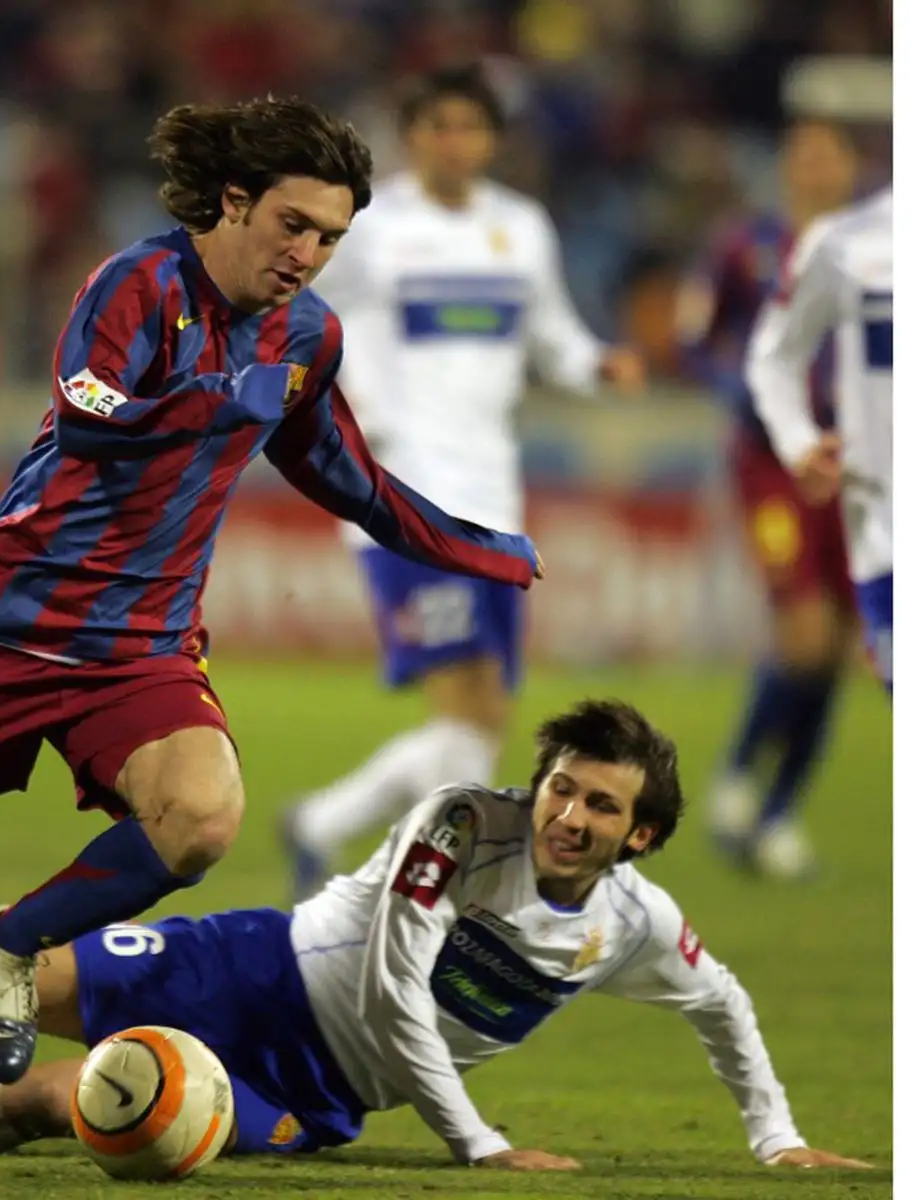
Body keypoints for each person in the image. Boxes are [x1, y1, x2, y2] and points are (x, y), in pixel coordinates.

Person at [0, 95, 545, 1161]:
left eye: (330, 238)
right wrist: (213, 396)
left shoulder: (305, 336)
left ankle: (11, 943)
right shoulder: (139, 283)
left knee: (202, 818)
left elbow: (352, 478)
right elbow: (89, 405)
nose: (308, 254)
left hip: (142, 648)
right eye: (293, 225)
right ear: (233, 202)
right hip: (6, 626)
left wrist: (480, 549)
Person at [0, 701, 870, 1174]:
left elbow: (727, 1005)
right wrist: (476, 1145)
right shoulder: (457, 826)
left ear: (642, 839)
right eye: (563, 788)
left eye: (604, 807)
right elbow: (402, 986)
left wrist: (774, 1137)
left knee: (67, 1104)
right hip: (253, 964)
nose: (571, 816)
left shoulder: (634, 926)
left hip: (310, 1095)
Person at [280, 64, 645, 903]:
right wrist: (345, 402)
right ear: (413, 136)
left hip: (492, 493)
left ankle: (324, 825)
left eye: (472, 127)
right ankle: (415, 886)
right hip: (398, 492)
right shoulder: (367, 230)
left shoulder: (519, 228)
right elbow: (295, 310)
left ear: (492, 140)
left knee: (481, 723)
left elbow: (553, 335)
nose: (457, 142)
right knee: (461, 706)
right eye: (439, 125)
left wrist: (598, 363)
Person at [678, 119, 861, 878]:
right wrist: (742, 388)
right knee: (805, 636)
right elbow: (694, 336)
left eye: (831, 154)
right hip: (775, 462)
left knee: (843, 648)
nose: (816, 168)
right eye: (804, 154)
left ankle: (777, 812)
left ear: (851, 169)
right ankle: (742, 776)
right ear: (786, 166)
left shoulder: (877, 252)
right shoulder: (743, 245)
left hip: (864, 465)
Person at [746, 188, 893, 695]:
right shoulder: (842, 242)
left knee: (824, 644)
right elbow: (770, 356)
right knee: (809, 638)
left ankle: (767, 775)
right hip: (871, 516)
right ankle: (745, 771)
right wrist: (797, 439)